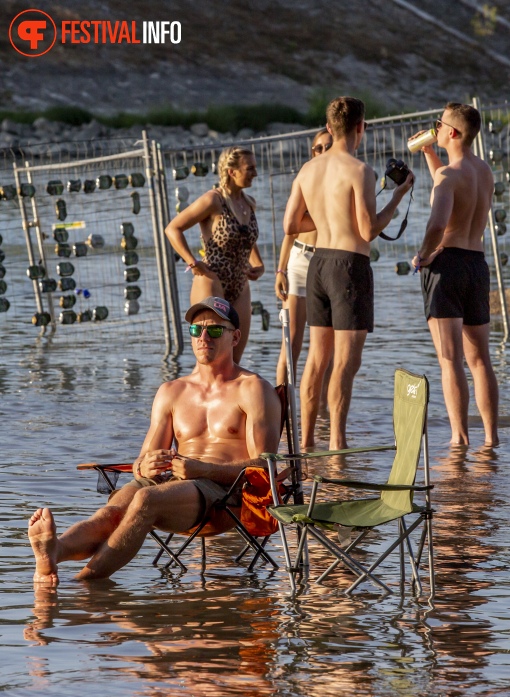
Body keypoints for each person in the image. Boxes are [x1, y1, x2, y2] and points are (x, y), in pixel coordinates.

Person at [28, 297, 282, 585]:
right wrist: (143, 467)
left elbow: (264, 465)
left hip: (225, 495)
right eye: (196, 330)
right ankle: (54, 550)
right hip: (175, 483)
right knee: (112, 512)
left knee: (145, 500)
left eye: (214, 331)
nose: (203, 337)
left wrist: (204, 470)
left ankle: (82, 584)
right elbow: (142, 460)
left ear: (235, 337)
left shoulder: (253, 389)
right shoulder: (172, 391)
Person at [283, 96, 414, 449]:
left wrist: (327, 219)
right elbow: (369, 230)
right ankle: (338, 443)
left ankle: (306, 441)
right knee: (345, 361)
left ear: (329, 128)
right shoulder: (360, 171)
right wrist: (398, 195)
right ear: (361, 127)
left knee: (316, 357)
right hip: (348, 268)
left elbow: (290, 223)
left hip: (318, 263)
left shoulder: (308, 170)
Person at [411, 102, 499, 447]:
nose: (435, 128)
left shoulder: (449, 177)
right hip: (476, 264)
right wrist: (431, 153)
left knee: (450, 360)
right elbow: (451, 184)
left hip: (446, 266)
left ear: (452, 132)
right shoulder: (484, 171)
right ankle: (491, 439)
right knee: (480, 360)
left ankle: (459, 438)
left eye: (438, 124)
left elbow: (437, 223)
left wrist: (423, 254)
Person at [166, 147, 264, 362]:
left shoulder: (249, 203)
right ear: (232, 171)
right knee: (210, 359)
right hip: (211, 280)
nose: (255, 173)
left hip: (239, 284)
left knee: (233, 360)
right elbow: (173, 229)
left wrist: (258, 264)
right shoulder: (213, 200)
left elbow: (246, 237)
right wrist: (192, 262)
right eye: (250, 168)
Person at [275, 128, 332, 385]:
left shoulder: (345, 176)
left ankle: (322, 416)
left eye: (327, 147)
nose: (322, 152)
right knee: (291, 342)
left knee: (326, 349)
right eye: (318, 148)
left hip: (330, 261)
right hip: (300, 261)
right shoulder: (305, 177)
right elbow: (291, 228)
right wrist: (280, 270)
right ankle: (283, 414)